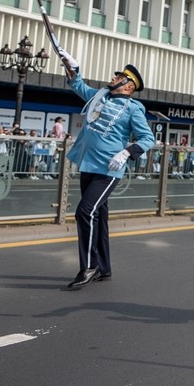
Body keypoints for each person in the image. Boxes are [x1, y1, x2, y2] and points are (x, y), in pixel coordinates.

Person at [58, 57, 155, 290]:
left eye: (119, 77)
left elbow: (148, 139)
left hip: (108, 169)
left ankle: (89, 266)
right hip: (88, 164)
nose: (113, 79)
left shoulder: (133, 109)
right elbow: (78, 85)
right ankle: (104, 267)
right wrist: (73, 67)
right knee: (98, 216)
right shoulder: (100, 97)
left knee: (85, 211)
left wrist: (126, 153)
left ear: (129, 86)